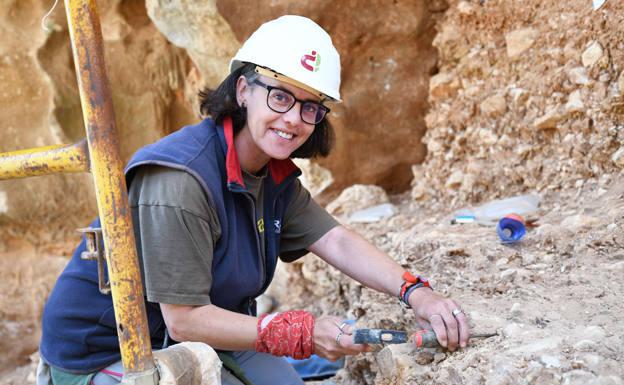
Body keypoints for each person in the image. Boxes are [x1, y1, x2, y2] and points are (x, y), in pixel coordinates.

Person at [38, 15, 470, 385]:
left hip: (203, 332)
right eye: (280, 96)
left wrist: (417, 293)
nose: (293, 120)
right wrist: (295, 331)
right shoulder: (181, 180)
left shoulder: (271, 176)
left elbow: (336, 241)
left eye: (310, 107)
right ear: (243, 90)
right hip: (108, 353)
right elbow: (184, 319)